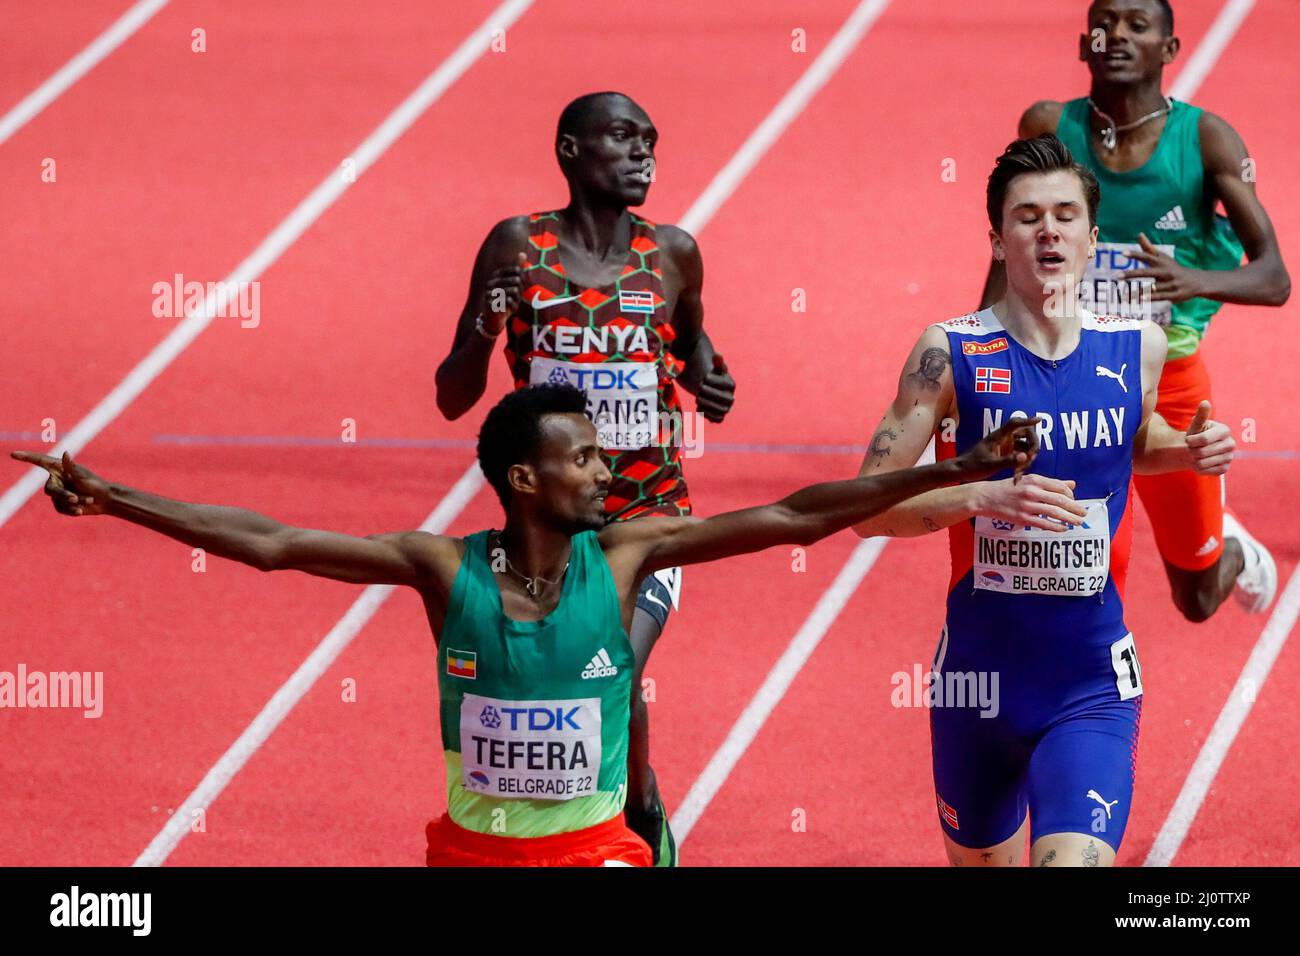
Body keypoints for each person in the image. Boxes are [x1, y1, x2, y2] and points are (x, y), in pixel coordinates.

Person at [13, 383, 1038, 866]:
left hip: (597, 848)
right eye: (584, 457)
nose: (606, 468)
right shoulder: (439, 566)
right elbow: (273, 540)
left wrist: (947, 469)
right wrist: (116, 499)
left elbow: (788, 518)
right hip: (471, 851)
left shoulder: (629, 554)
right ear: (523, 478)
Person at [855, 134, 1236, 866]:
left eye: (1065, 216)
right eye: (1027, 217)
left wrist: (1186, 450)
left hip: (1089, 681)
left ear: (1094, 238)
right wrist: (982, 494)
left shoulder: (1138, 346)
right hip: (974, 685)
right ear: (997, 239)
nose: (1048, 231)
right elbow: (867, 507)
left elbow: (1134, 440)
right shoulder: (950, 354)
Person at [435, 90, 737, 865]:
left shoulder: (672, 252)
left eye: (651, 140)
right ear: (570, 150)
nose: (644, 154)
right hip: (551, 530)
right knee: (581, 677)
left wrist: (710, 379)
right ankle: (604, 810)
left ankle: (635, 817)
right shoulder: (516, 247)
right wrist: (485, 326)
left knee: (613, 659)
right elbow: (451, 396)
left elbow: (694, 343)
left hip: (647, 519)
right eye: (623, 138)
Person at [979, 0, 1289, 622]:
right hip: (1064, 373)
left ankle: (1232, 548)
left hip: (1169, 379)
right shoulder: (1047, 126)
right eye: (1105, 22)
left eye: (1137, 25)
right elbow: (1004, 256)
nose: (1116, 33)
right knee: (1077, 566)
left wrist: (1190, 278)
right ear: (1083, 44)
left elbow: (1274, 277)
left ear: (1169, 51)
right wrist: (980, 360)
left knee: (1197, 600)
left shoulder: (1205, 140)